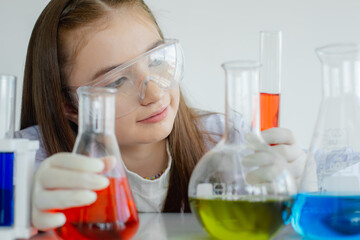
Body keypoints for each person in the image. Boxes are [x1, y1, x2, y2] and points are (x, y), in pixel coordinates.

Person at [15, 0, 307, 232]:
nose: (154, 93)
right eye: (116, 81)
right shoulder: (27, 161)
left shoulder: (222, 140)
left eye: (157, 60)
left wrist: (308, 188)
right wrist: (17, 213)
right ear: (70, 105)